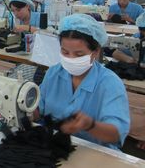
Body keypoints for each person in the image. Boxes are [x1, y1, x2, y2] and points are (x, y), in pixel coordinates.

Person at [37, 14, 130, 150]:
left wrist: (90, 125)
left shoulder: (110, 83)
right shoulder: (53, 73)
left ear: (96, 52)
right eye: (65, 52)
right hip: (54, 147)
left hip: (97, 153)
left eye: (79, 54)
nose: (70, 58)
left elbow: (116, 134)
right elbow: (38, 109)